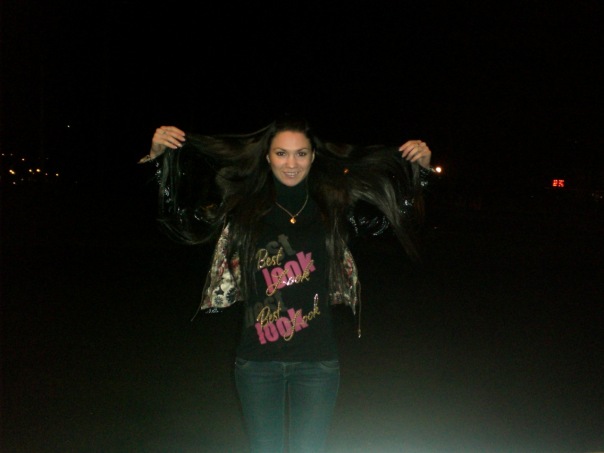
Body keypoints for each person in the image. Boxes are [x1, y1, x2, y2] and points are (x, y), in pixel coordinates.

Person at [138, 115, 433, 453]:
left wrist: (421, 172)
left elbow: (391, 220)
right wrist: (157, 160)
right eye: (281, 153)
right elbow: (178, 217)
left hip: (317, 363)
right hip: (257, 364)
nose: (291, 163)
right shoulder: (243, 207)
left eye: (300, 153)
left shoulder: (332, 206)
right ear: (267, 156)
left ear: (313, 156)